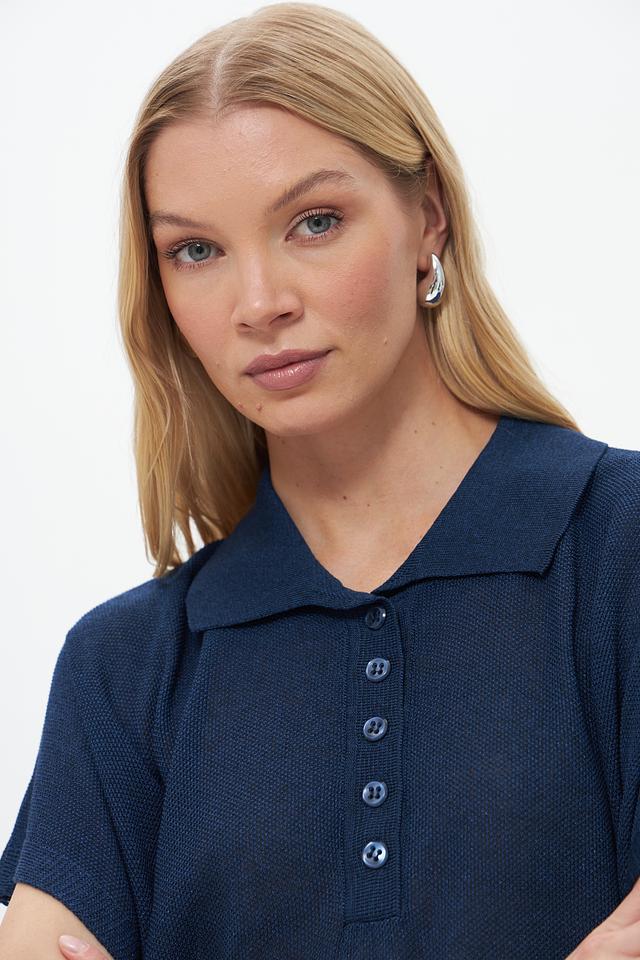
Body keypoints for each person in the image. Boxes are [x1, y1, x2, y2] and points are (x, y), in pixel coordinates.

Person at [1, 3, 639, 959]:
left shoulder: (619, 546)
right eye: (196, 250)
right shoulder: (125, 666)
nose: (260, 304)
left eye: (315, 222)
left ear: (428, 219)